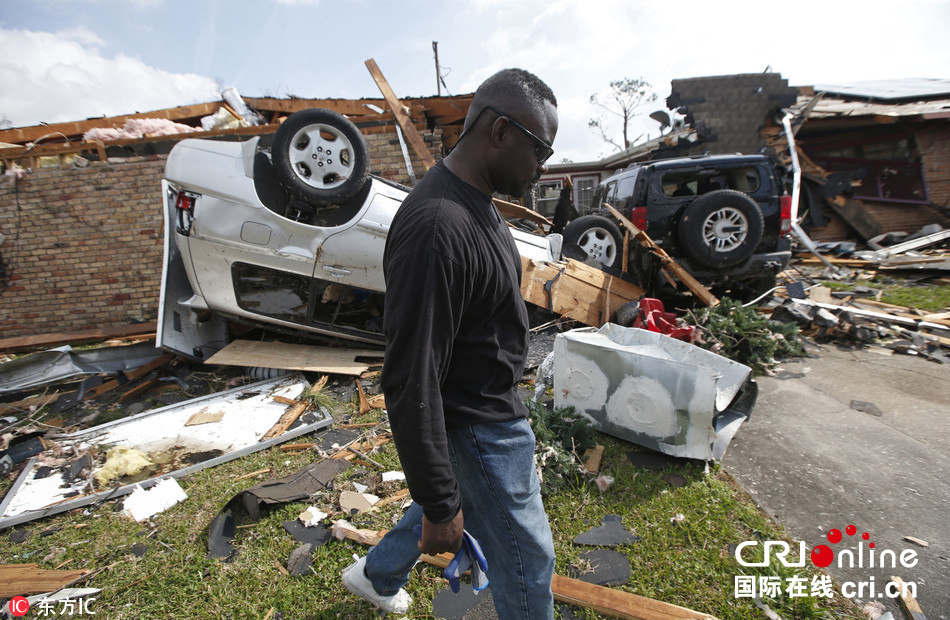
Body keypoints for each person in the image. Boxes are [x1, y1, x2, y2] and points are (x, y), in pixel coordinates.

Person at [341, 68, 558, 618]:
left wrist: (441, 498)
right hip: (480, 426)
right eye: (541, 151)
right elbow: (410, 374)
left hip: (483, 409)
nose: (543, 168)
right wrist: (441, 501)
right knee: (527, 560)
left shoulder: (477, 200)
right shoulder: (439, 227)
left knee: (456, 502)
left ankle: (374, 575)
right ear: (501, 131)